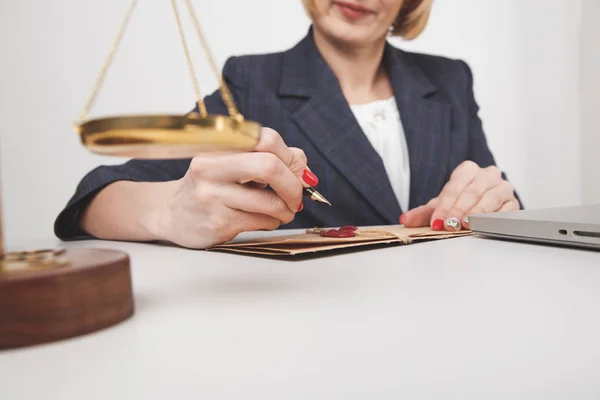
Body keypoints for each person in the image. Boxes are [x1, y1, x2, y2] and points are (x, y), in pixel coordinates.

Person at [54, 0, 522, 249]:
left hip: (446, 327)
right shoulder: (254, 82)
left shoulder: (449, 80)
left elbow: (503, 206)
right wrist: (168, 212)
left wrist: (497, 200)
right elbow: (96, 197)